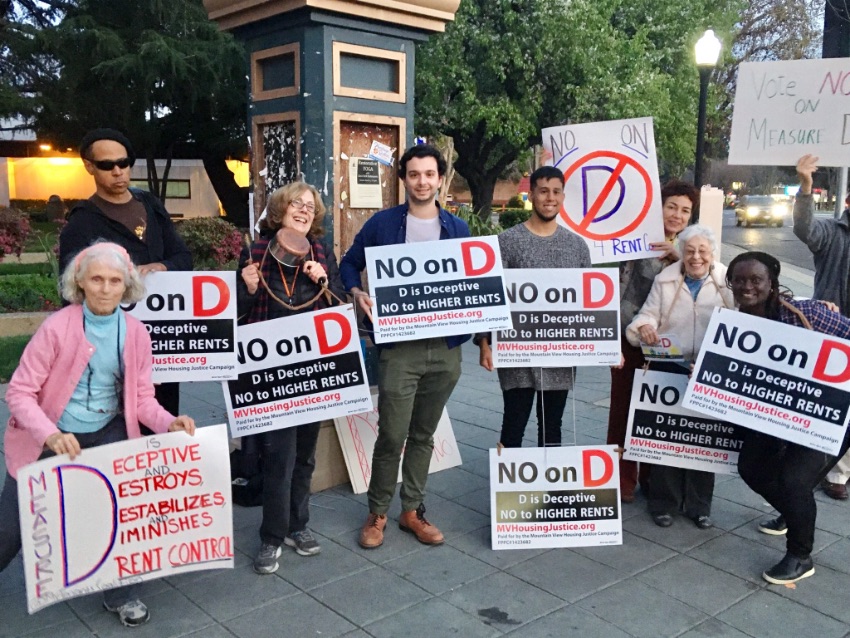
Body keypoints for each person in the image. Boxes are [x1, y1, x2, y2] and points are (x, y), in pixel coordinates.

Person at [0, 242, 196, 627]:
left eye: (114, 281)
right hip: (49, 434)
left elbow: (142, 398)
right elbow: (19, 392)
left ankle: (120, 593)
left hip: (107, 431)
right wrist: (50, 435)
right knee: (10, 526)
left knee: (122, 514)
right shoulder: (57, 328)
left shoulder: (136, 333)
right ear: (80, 282)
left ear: (127, 285)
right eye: (97, 280)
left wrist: (168, 422)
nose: (105, 289)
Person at [339, 144, 470, 549]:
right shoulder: (383, 224)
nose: (422, 182)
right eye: (414, 174)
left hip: (445, 347)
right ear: (404, 179)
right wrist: (357, 292)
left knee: (424, 434)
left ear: (440, 179)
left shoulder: (458, 229)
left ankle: (412, 509)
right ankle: (377, 511)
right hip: (399, 347)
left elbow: (472, 283)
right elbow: (348, 263)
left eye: (429, 174)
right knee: (392, 434)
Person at [237, 182, 345, 574]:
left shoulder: (321, 253)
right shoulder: (254, 252)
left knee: (305, 455)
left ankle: (298, 525)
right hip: (271, 373)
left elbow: (342, 308)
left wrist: (325, 281)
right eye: (295, 203)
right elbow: (233, 314)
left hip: (312, 370)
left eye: (310, 206)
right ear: (280, 209)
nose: (302, 210)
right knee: (278, 457)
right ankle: (271, 536)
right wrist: (247, 289)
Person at [727, 251, 850, 584]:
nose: (747, 286)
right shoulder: (734, 325)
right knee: (750, 467)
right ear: (730, 284)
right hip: (775, 414)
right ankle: (794, 512)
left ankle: (800, 556)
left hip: (825, 416)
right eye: (739, 280)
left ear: (772, 283)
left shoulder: (806, 314)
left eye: (756, 279)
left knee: (795, 480)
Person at [59, 128, 192, 417]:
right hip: (112, 352)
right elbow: (70, 295)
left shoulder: (151, 206)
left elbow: (183, 257)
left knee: (164, 420)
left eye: (124, 163)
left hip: (163, 346)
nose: (118, 171)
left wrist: (163, 267)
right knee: (120, 428)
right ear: (89, 167)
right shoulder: (81, 223)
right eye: (107, 165)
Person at [625, 225, 733, 528]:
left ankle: (700, 506)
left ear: (712, 253)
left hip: (710, 370)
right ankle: (664, 504)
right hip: (671, 365)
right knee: (667, 438)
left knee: (704, 439)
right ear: (681, 253)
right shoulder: (666, 279)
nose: (696, 257)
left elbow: (745, 315)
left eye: (702, 251)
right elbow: (648, 314)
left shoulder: (726, 280)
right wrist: (644, 327)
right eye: (689, 251)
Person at [476, 166, 591, 448]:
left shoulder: (577, 246)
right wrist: (484, 343)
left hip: (560, 353)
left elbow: (588, 303)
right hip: (516, 351)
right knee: (513, 422)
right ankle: (508, 477)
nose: (550, 198)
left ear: (563, 197)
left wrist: (603, 345)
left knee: (552, 426)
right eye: (543, 191)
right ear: (531, 195)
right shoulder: (507, 242)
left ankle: (550, 477)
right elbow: (491, 296)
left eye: (556, 192)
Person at [607, 180, 698, 502]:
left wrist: (680, 257)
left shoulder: (691, 248)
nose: (677, 215)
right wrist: (611, 339)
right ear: (659, 207)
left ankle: (651, 477)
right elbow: (619, 288)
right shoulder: (637, 239)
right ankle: (621, 478)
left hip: (669, 345)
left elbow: (708, 279)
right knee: (622, 411)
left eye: (685, 210)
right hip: (630, 339)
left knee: (655, 413)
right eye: (671, 206)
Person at [792, 154, 850, 501]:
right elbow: (804, 228)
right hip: (833, 332)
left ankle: (840, 471)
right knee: (829, 401)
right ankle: (827, 471)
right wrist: (805, 186)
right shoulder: (832, 232)